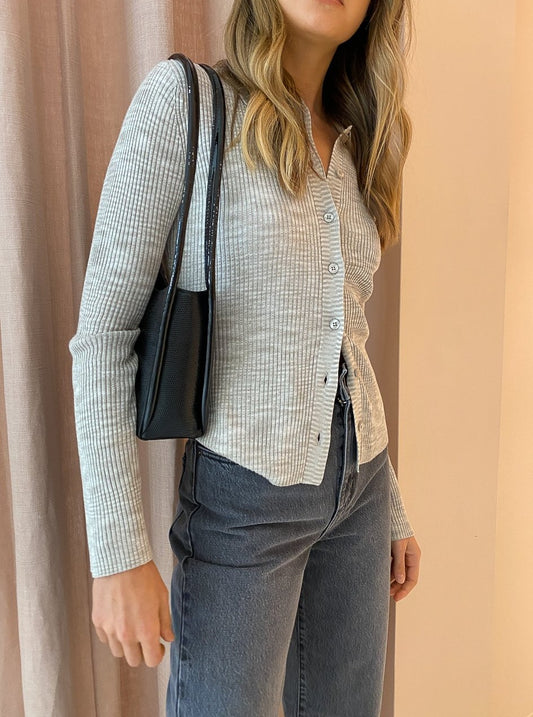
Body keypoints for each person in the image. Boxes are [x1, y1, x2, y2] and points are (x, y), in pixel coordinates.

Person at [68, 0, 422, 714]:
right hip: (242, 501)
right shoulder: (187, 106)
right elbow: (104, 336)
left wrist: (389, 506)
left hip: (360, 492)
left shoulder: (358, 143)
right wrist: (117, 554)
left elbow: (344, 340)